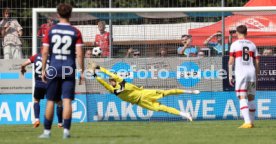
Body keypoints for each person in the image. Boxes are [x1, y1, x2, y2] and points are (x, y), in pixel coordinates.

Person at [91, 64, 201, 121]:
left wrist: (99, 67)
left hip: (144, 93)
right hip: (141, 102)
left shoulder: (120, 81)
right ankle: (185, 114)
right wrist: (95, 74)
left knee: (166, 92)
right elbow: (102, 83)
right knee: (161, 108)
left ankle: (189, 91)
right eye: (110, 82)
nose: (111, 82)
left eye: (112, 80)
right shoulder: (113, 90)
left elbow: (110, 73)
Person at [39, 3, 84, 139]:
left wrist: (43, 69)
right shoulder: (75, 31)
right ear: (70, 15)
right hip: (68, 68)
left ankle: (47, 132)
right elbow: (80, 54)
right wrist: (81, 71)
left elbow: (45, 51)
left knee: (51, 100)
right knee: (67, 100)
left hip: (53, 67)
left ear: (58, 15)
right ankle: (66, 132)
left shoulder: (51, 30)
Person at [20, 50, 63, 128]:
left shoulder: (36, 56)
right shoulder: (53, 57)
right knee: (59, 102)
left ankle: (37, 119)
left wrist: (23, 68)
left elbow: (23, 64)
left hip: (39, 84)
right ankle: (60, 123)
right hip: (50, 84)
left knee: (36, 101)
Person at [228, 25, 260, 128]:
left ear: (237, 33)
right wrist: (257, 74)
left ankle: (247, 122)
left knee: (242, 97)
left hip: (241, 73)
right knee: (251, 97)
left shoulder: (235, 44)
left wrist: (230, 75)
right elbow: (257, 61)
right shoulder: (252, 44)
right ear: (247, 33)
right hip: (251, 72)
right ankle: (251, 122)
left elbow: (231, 61)